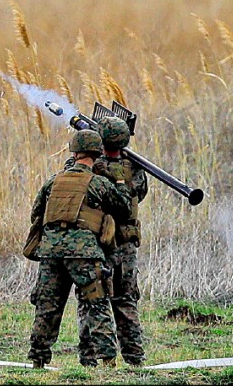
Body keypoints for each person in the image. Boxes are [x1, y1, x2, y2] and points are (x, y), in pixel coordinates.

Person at [23, 129, 133, 369]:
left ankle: (38, 360)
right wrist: (121, 181)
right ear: (97, 153)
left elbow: (36, 213)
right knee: (97, 303)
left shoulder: (53, 180)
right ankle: (107, 360)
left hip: (50, 251)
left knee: (47, 307)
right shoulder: (98, 182)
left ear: (74, 151)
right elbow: (124, 209)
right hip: (83, 252)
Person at [93, 115, 149, 367]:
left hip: (100, 242)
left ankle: (105, 359)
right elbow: (141, 194)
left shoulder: (93, 165)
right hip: (126, 245)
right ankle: (135, 358)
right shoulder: (135, 168)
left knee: (98, 299)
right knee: (126, 301)